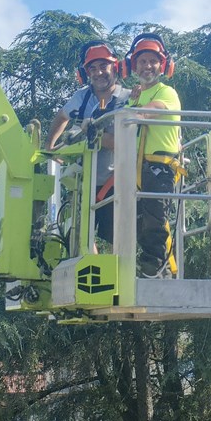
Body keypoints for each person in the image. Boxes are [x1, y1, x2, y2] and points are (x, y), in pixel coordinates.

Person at [45, 40, 130, 244]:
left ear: (116, 67)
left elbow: (129, 145)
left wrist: (96, 135)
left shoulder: (129, 99)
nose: (98, 73)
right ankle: (95, 273)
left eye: (103, 66)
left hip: (118, 181)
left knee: (116, 238)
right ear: (85, 74)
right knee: (81, 236)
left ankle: (115, 275)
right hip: (86, 181)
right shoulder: (82, 97)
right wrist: (49, 147)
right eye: (92, 68)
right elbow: (61, 117)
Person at [124, 33, 181, 277]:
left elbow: (150, 112)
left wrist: (134, 106)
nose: (148, 66)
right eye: (142, 61)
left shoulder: (166, 92)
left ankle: (158, 268)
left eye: (152, 61)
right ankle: (149, 266)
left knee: (155, 219)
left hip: (160, 166)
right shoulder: (134, 98)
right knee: (138, 221)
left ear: (163, 65)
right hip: (136, 168)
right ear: (133, 66)